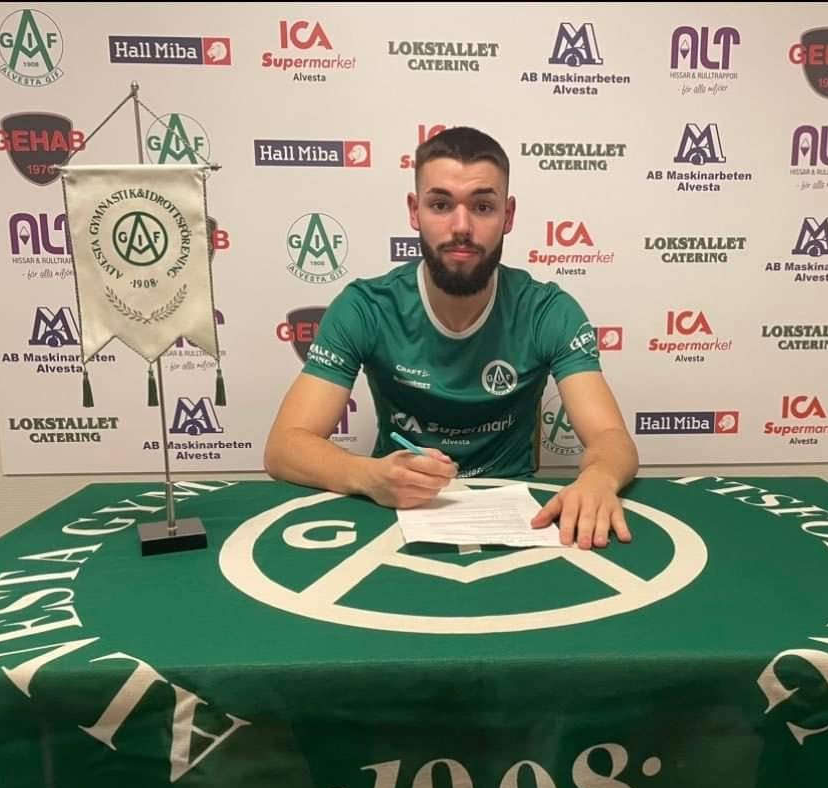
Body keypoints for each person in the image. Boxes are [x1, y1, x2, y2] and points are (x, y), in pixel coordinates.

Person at [264, 127, 639, 549]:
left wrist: (599, 478)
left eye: (482, 206)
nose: (462, 227)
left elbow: (611, 437)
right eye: (441, 205)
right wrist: (368, 476)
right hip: (394, 512)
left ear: (508, 216)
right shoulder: (365, 307)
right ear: (414, 211)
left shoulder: (546, 310)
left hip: (517, 518)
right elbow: (284, 446)